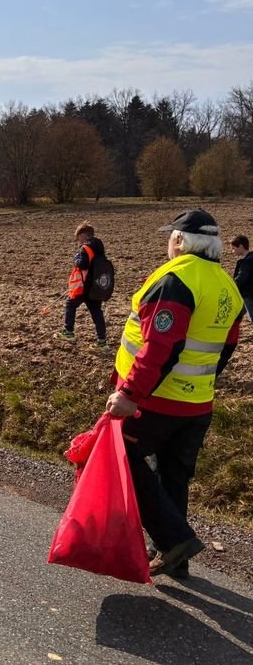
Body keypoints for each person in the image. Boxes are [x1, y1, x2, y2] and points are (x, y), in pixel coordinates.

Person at [106, 209, 243, 579]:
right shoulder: (228, 287)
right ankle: (173, 555)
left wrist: (131, 393)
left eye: (171, 237)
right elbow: (226, 348)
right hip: (198, 404)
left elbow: (160, 346)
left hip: (155, 402)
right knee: (173, 476)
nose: (168, 243)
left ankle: (173, 539)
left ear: (180, 241)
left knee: (122, 457)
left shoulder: (176, 280)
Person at [57, 222, 108, 347]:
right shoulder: (99, 248)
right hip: (96, 286)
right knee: (97, 312)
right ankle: (102, 342)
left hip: (85, 286)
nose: (78, 240)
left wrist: (76, 259)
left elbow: (83, 265)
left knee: (70, 304)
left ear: (84, 235)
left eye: (78, 237)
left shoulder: (86, 248)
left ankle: (69, 332)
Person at [229, 234, 253, 320]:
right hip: (246, 293)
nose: (232, 251)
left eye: (233, 248)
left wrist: (231, 285)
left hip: (248, 293)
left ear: (241, 246)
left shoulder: (246, 262)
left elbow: (241, 278)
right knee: (238, 313)